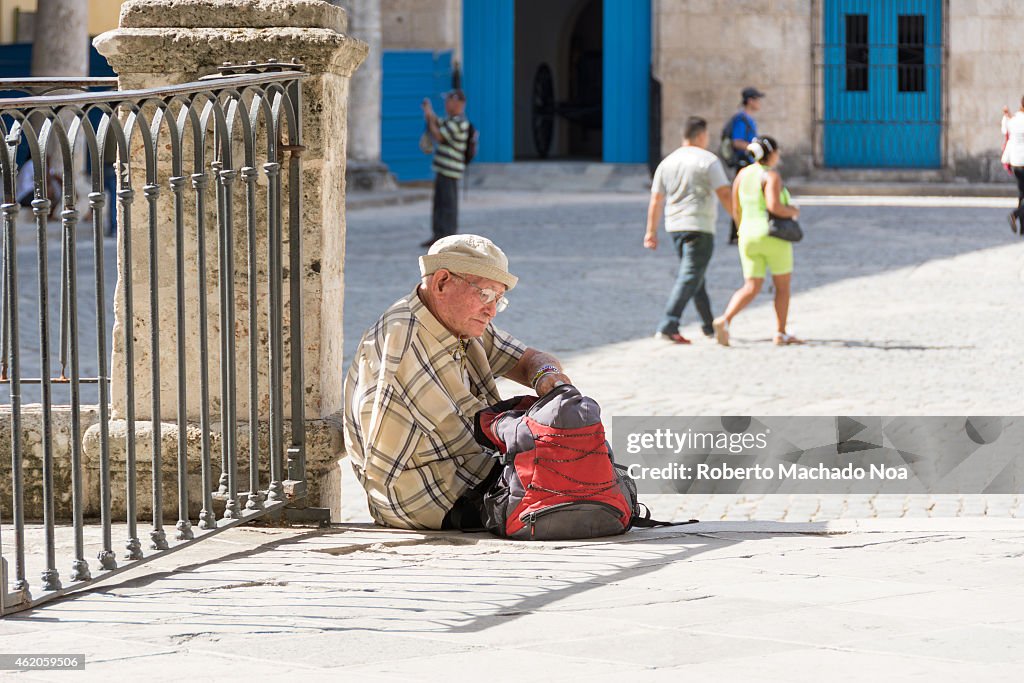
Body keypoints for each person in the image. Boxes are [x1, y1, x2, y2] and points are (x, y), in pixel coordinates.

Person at [343, 234, 572, 531]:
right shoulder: (405, 340)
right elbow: (474, 438)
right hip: (425, 497)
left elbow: (529, 359)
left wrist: (548, 377)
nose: (491, 310)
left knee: (578, 468)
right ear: (441, 283)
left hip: (464, 472)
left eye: (498, 300)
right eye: (486, 295)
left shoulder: (456, 320)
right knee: (571, 482)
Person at [645, 116, 734, 344]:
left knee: (696, 277)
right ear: (702, 135)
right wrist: (740, 220)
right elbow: (724, 193)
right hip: (699, 225)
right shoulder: (708, 161)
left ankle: (708, 325)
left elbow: (656, 200)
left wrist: (651, 231)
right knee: (690, 276)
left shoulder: (667, 162)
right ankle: (669, 323)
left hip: (675, 227)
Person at [712, 136, 803, 347]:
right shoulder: (770, 176)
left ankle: (725, 320)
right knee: (782, 286)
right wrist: (793, 210)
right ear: (771, 154)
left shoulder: (742, 175)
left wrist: (742, 229)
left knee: (751, 286)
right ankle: (781, 332)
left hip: (747, 235)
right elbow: (773, 206)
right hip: (772, 235)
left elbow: (736, 208)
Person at [420, 89, 471, 248]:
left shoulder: (460, 122)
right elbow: (436, 122)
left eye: (449, 100)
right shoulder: (450, 120)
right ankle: (438, 235)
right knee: (439, 204)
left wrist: (430, 117)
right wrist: (429, 113)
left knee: (448, 205)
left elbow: (439, 135)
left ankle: (448, 236)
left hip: (451, 170)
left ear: (458, 103)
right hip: (442, 169)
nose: (446, 103)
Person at [724, 86, 764, 244]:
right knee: (740, 199)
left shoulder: (748, 119)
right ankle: (736, 233)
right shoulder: (741, 120)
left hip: (750, 164)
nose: (759, 103)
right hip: (743, 164)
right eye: (757, 99)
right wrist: (754, 148)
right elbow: (737, 141)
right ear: (750, 101)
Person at [1001, 99, 1024, 235]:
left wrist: (1007, 114)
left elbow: (1006, 129)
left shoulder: (1014, 120)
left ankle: (1023, 228)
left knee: (1022, 195)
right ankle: (1015, 215)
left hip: (1016, 162)